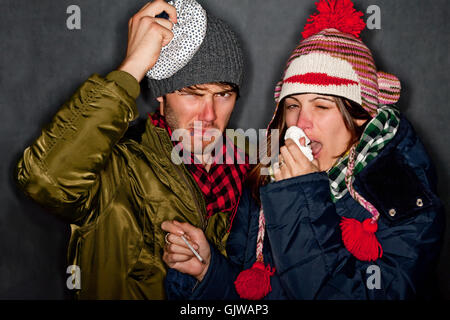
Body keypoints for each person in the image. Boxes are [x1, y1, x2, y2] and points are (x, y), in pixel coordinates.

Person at [161, 0, 445, 299]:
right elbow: (256, 294)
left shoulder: (404, 196)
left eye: (321, 106)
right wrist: (209, 270)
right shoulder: (266, 179)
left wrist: (301, 194)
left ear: (362, 116)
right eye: (292, 106)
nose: (300, 123)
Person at [14, 0, 249, 299]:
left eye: (223, 95)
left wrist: (211, 269)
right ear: (162, 96)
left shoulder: (253, 172)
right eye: (192, 93)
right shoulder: (118, 166)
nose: (209, 114)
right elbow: (44, 180)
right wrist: (132, 68)